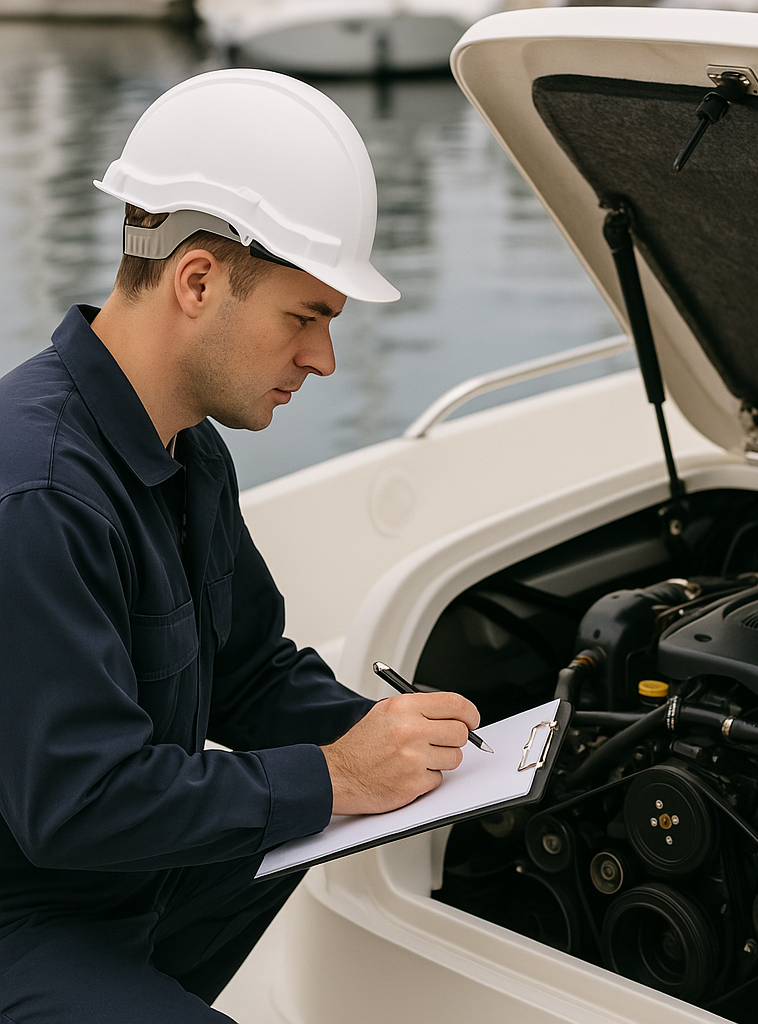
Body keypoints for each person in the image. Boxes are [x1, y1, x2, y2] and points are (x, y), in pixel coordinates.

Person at [0, 69, 480, 1024]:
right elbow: (78, 800)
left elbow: (249, 674)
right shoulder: (39, 492)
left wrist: (424, 752)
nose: (323, 359)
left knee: (341, 814)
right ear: (197, 280)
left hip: (122, 878)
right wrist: (340, 777)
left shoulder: (188, 450)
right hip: (27, 911)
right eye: (306, 318)